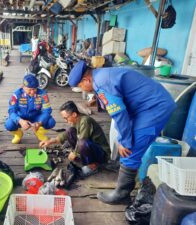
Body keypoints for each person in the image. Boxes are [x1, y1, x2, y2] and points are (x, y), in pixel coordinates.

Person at [68, 60, 176, 204]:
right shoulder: (101, 75)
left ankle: (122, 194)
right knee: (126, 140)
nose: (82, 89)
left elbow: (119, 114)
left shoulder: (101, 83)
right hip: (143, 105)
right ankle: (124, 184)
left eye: (80, 86)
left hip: (154, 107)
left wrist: (124, 141)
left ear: (86, 79)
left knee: (129, 148)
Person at [39, 101, 110, 176]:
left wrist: (74, 153)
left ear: (74, 114)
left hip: (102, 154)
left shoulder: (85, 120)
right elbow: (66, 134)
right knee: (70, 131)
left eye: (66, 118)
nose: (66, 121)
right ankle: (81, 157)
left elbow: (82, 139)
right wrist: (51, 141)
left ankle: (93, 166)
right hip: (91, 147)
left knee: (82, 143)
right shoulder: (77, 120)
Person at [5, 74, 56, 144]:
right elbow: (11, 111)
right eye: (30, 89)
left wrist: (40, 122)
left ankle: (39, 133)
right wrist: (20, 121)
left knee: (51, 122)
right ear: (23, 87)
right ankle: (18, 134)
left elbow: (47, 111)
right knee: (9, 124)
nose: (32, 92)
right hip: (21, 117)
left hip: (36, 117)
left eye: (34, 89)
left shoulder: (42, 94)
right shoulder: (16, 95)